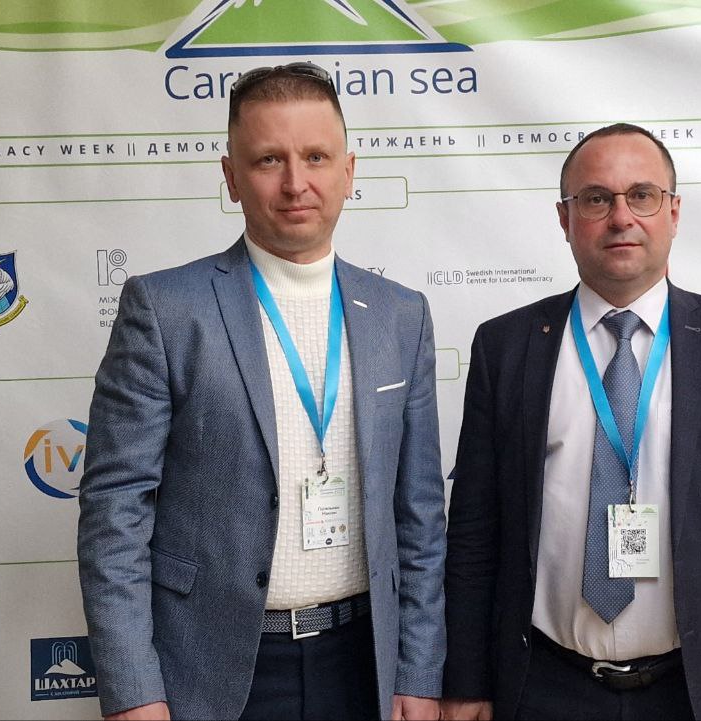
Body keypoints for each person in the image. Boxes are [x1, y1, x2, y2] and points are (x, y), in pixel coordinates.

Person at [77, 62, 446, 721]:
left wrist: (419, 670)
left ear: (349, 171)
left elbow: (419, 515)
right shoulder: (165, 310)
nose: (296, 182)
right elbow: (115, 514)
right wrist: (134, 691)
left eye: (316, 157)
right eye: (269, 159)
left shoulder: (401, 315)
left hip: (364, 664)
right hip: (212, 673)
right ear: (231, 176)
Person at [441, 124, 701, 721]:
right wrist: (465, 681)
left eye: (642, 196)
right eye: (596, 199)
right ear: (565, 218)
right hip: (544, 687)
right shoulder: (506, 348)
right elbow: (475, 533)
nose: (620, 217)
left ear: (674, 212)